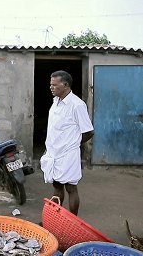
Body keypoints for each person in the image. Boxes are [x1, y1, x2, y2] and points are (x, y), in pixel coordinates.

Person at [40, 70, 94, 215]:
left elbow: (89, 131)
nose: (51, 87)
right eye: (50, 84)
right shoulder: (55, 102)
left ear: (65, 85)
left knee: (71, 187)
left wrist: (73, 144)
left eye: (54, 85)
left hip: (68, 154)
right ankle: (55, 219)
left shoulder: (77, 105)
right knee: (57, 186)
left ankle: (73, 221)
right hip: (53, 153)